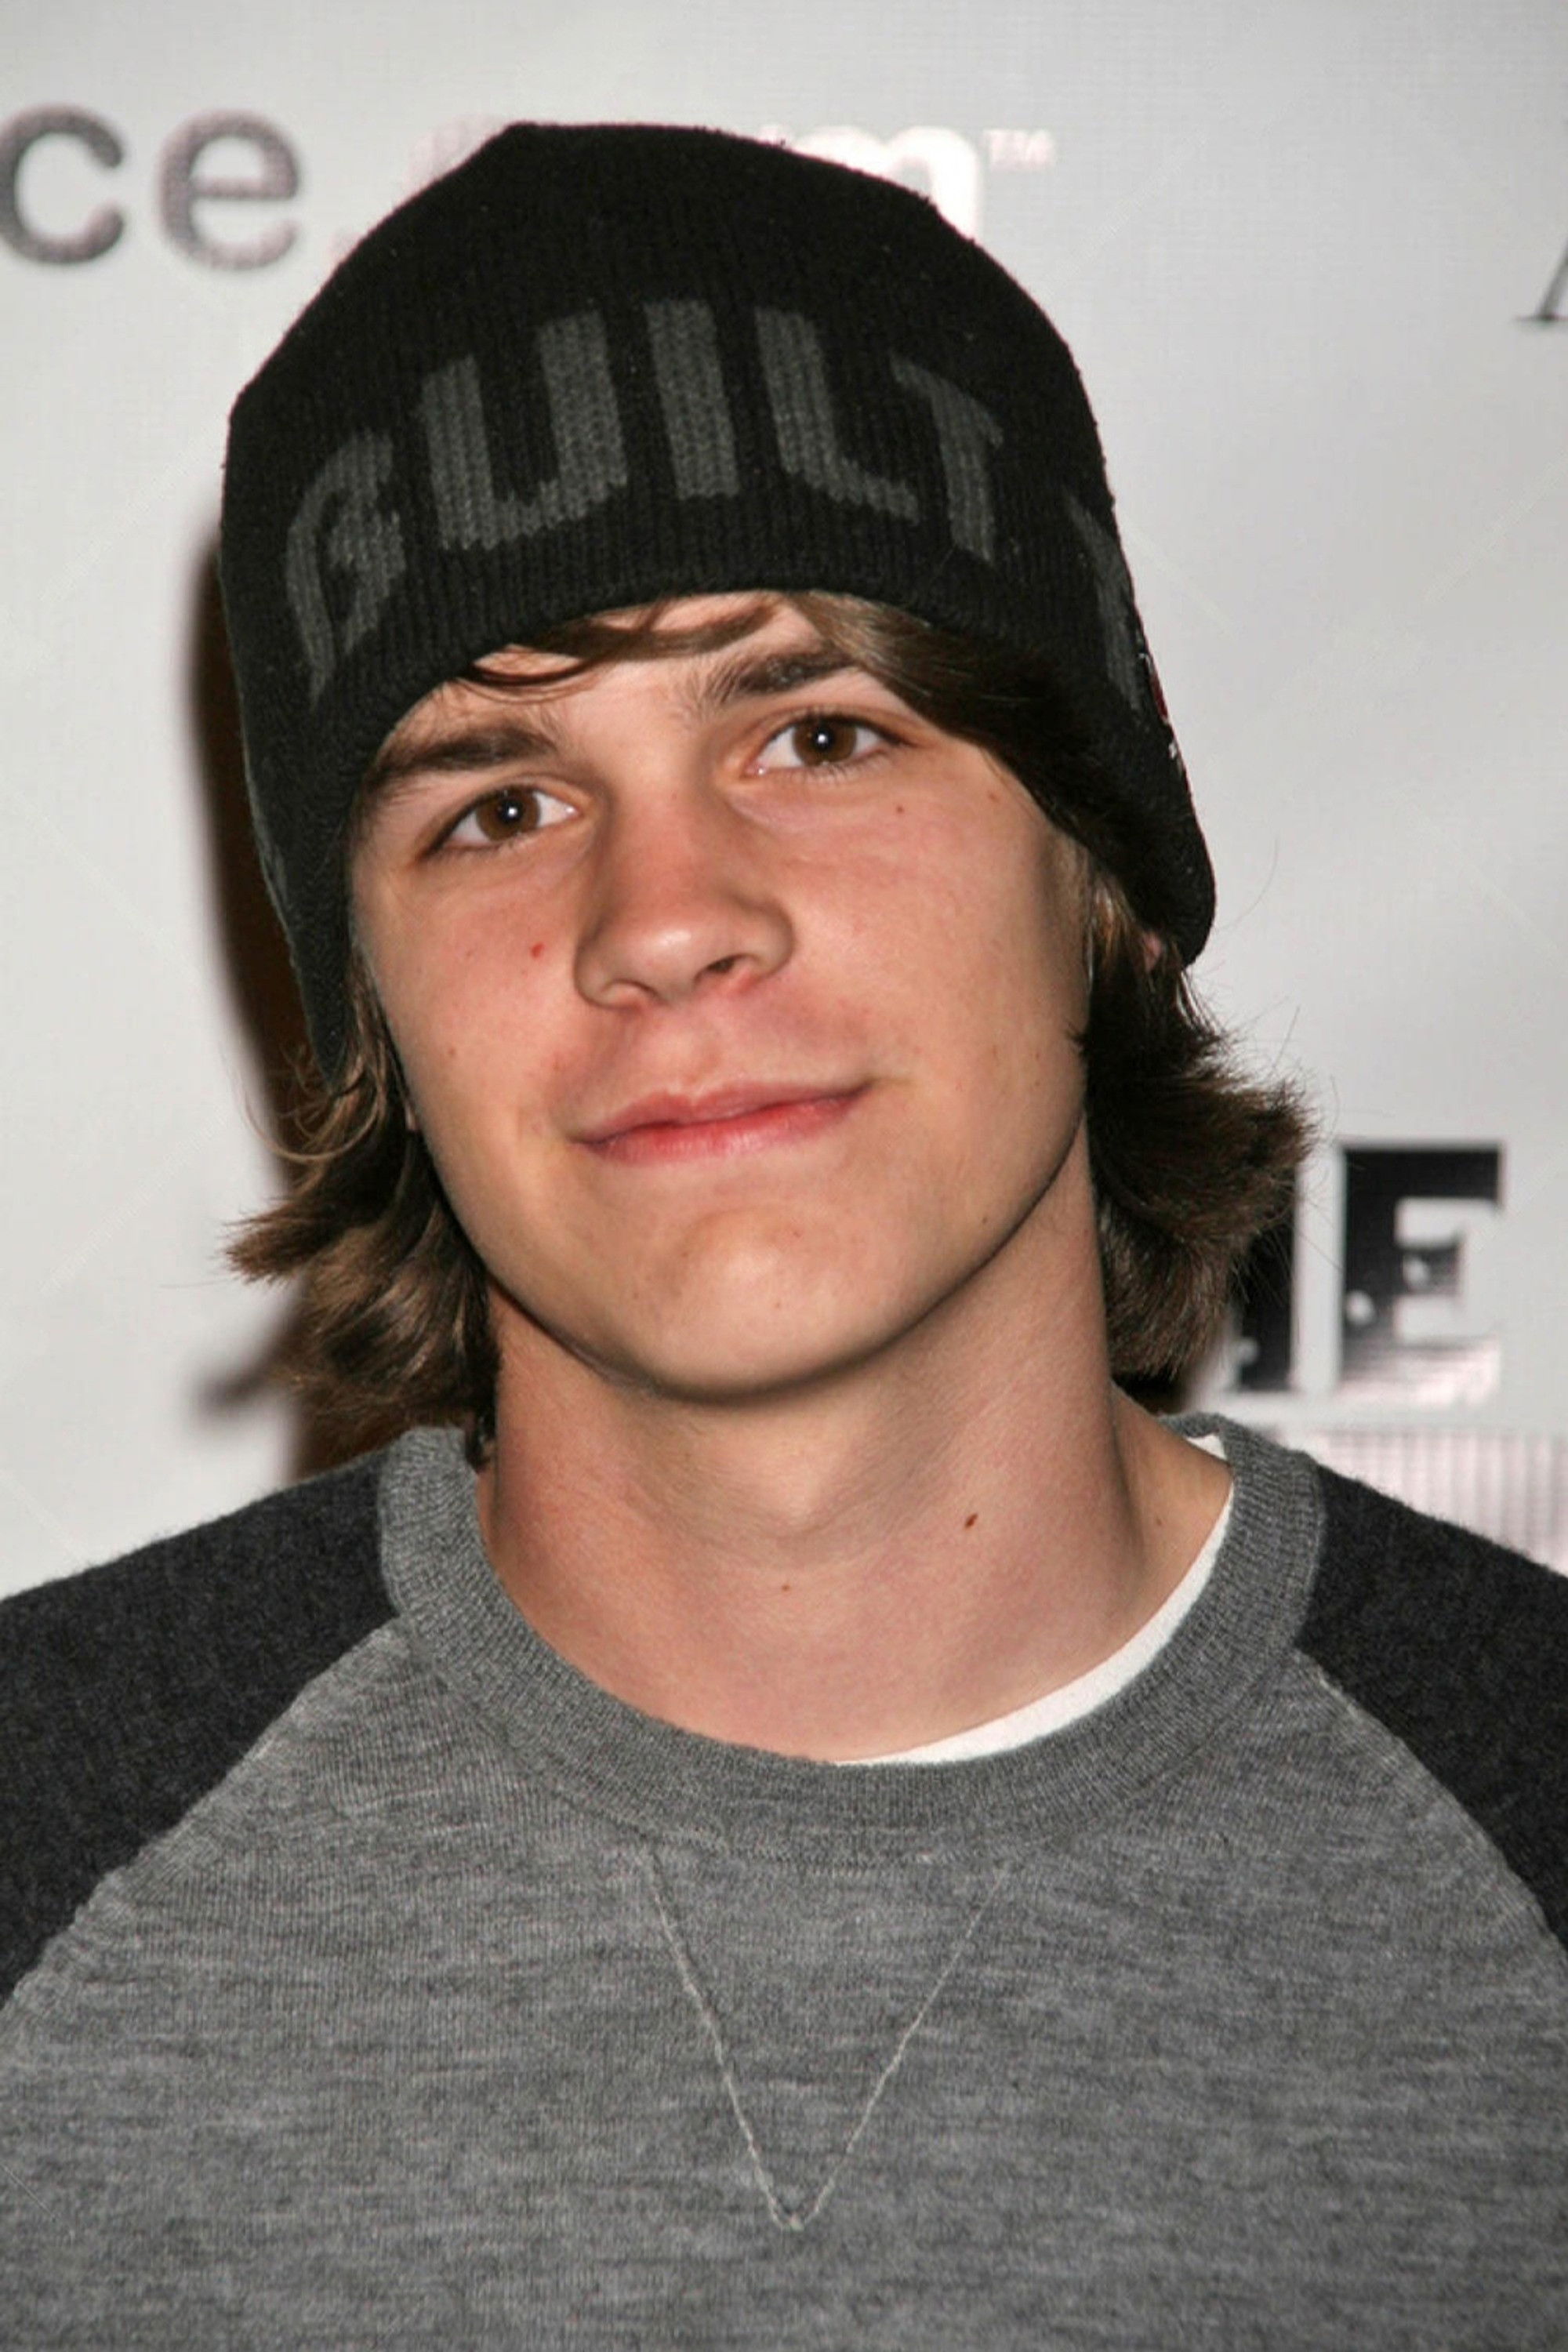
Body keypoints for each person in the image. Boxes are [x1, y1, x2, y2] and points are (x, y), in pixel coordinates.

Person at [2, 122, 1564, 2347]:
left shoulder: (1526, 1814)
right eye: (501, 802)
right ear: (372, 1020)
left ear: (1104, 870)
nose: (665, 921)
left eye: (820, 734)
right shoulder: (43, 1840)